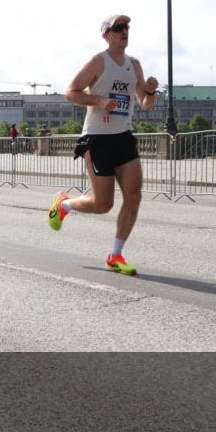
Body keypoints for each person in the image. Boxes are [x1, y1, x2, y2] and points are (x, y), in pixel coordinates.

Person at [48, 14, 159, 276]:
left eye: (127, 27)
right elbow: (71, 91)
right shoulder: (99, 61)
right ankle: (63, 205)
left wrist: (151, 91)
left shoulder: (134, 64)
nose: (125, 31)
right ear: (106, 35)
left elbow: (145, 104)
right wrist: (99, 101)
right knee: (102, 204)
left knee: (134, 195)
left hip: (123, 136)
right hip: (98, 138)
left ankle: (115, 255)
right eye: (118, 28)